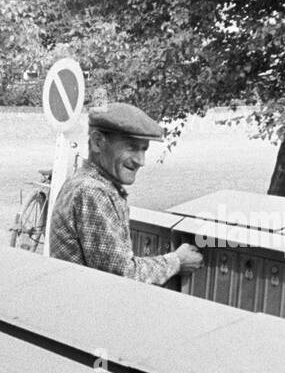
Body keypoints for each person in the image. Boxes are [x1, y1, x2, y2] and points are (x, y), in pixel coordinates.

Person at [48, 102, 203, 284]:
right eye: (131, 147)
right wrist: (176, 261)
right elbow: (121, 276)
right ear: (98, 142)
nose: (140, 161)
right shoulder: (92, 191)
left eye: (144, 149)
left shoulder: (85, 182)